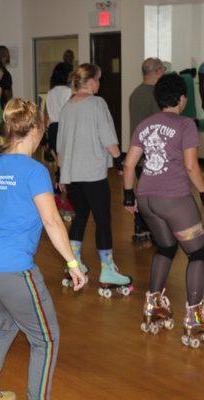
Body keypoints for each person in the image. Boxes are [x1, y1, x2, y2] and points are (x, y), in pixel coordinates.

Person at [0, 99, 86, 400]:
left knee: (6, 322)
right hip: (12, 271)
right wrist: (73, 263)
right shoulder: (35, 172)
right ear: (35, 130)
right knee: (46, 339)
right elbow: (51, 220)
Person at [123, 73, 204, 346]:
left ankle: (153, 306)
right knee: (198, 253)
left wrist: (127, 196)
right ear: (183, 98)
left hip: (146, 198)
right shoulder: (186, 124)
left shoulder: (145, 125)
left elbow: (129, 164)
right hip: (173, 199)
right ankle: (195, 319)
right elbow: (192, 167)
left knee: (166, 248)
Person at [57, 63, 132, 296]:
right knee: (103, 220)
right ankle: (108, 270)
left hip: (71, 175)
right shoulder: (97, 104)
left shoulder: (67, 106)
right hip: (92, 174)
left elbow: (60, 144)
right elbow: (107, 137)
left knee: (80, 217)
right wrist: (120, 160)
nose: (100, 84)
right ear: (90, 82)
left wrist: (60, 173)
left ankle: (75, 264)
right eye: (98, 79)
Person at [128, 58, 164, 242]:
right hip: (152, 155)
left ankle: (141, 228)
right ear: (157, 71)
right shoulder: (156, 95)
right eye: (163, 69)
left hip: (137, 154)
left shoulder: (135, 93)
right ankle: (154, 230)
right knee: (153, 195)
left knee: (143, 192)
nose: (164, 72)